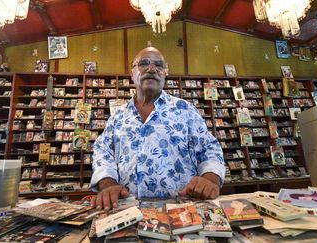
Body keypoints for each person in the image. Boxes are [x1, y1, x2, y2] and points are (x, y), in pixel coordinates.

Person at [90, 46, 225, 210]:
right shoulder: (118, 116)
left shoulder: (185, 110)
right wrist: (108, 184)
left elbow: (209, 148)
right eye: (143, 63)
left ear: (165, 73)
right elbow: (103, 152)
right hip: (127, 212)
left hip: (182, 213)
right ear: (132, 74)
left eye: (159, 65)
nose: (151, 69)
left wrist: (210, 179)